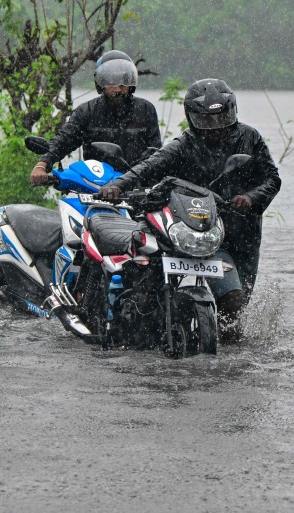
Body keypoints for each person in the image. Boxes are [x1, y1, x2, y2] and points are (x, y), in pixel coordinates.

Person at [99, 78, 280, 341]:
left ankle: (227, 358)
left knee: (235, 306)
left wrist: (251, 198)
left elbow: (272, 179)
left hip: (243, 233)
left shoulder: (249, 138)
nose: (217, 128)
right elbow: (149, 166)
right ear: (193, 118)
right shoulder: (184, 144)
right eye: (208, 121)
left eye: (222, 118)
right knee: (154, 271)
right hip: (197, 228)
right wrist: (117, 185)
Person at [30, 50, 162, 186]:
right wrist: (42, 164)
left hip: (136, 187)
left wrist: (139, 178)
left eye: (123, 83)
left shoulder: (145, 110)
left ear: (131, 85)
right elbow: (64, 140)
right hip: (94, 186)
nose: (118, 89)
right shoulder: (87, 111)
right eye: (112, 83)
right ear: (101, 84)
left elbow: (155, 153)